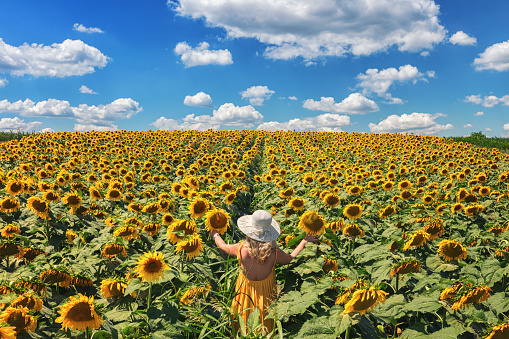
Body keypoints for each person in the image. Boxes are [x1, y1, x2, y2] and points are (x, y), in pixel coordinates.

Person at [210, 210, 317, 336]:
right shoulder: (273, 253)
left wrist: (215, 234)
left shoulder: (241, 249)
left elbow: (222, 246)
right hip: (265, 296)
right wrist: (303, 242)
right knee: (264, 323)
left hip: (245, 294)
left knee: (242, 318)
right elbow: (290, 258)